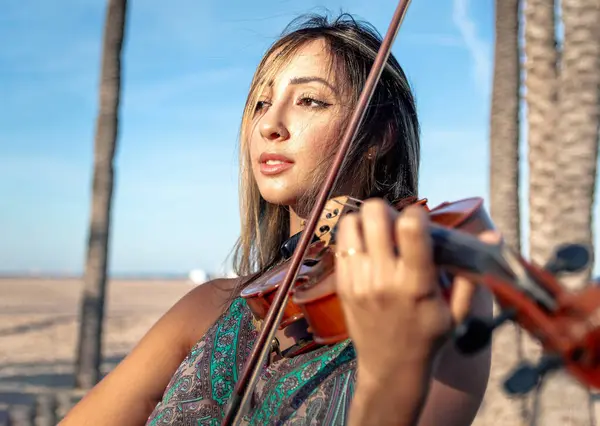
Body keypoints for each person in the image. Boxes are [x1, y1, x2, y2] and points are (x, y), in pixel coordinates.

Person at [61, 13, 494, 426]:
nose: (270, 123)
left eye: (310, 100)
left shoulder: (432, 293)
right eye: (262, 103)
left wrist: (390, 380)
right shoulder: (210, 306)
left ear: (379, 137)